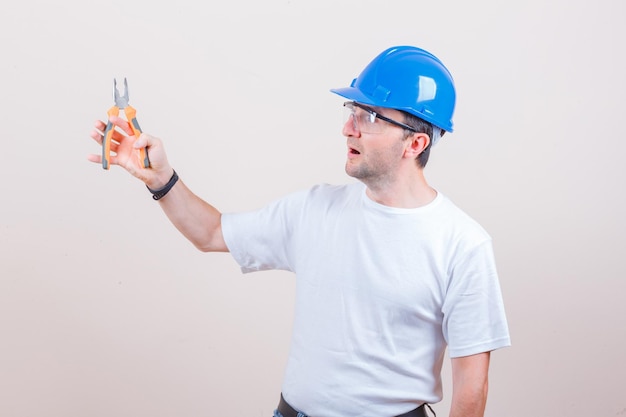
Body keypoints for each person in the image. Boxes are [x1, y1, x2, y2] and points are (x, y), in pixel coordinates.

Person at [88, 46, 510, 417]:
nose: (349, 127)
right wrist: (160, 178)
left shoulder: (462, 244)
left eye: (370, 116)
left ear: (415, 144)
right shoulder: (315, 210)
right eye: (351, 112)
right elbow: (212, 233)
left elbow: (472, 388)